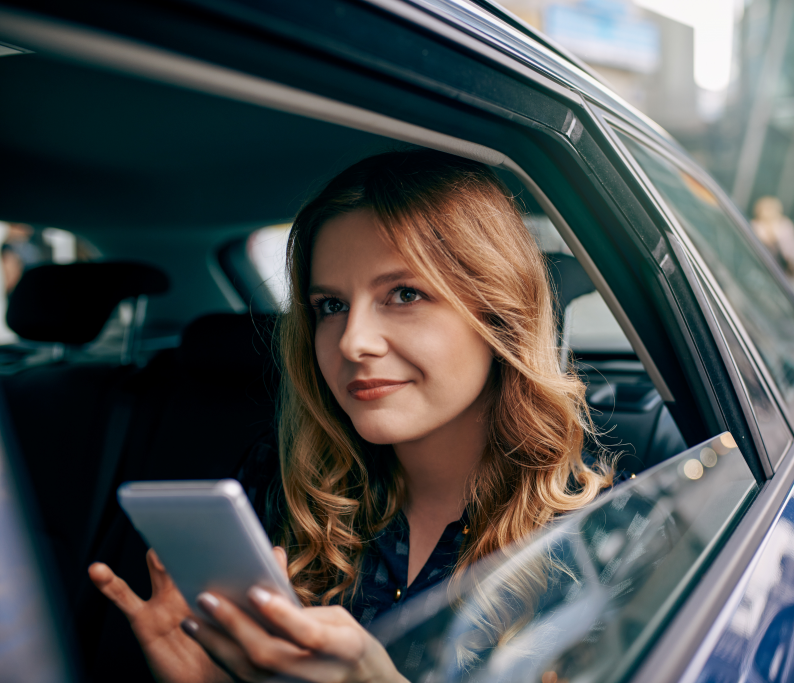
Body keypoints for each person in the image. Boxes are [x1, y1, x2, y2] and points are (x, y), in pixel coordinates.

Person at [87, 149, 615, 683]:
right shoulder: (283, 488)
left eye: (404, 294)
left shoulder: (604, 530)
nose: (353, 342)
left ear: (499, 313)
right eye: (330, 306)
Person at [750, 196, 794, 275]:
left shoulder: (784, 225)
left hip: (781, 268)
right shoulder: (755, 226)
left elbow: (793, 250)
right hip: (761, 267)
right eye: (766, 209)